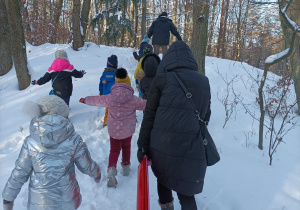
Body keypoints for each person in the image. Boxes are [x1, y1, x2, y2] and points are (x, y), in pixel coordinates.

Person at [137, 41, 211, 210]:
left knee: (164, 179)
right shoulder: (203, 81)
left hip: (162, 143)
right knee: (186, 193)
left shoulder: (161, 79)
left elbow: (149, 115)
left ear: (168, 59)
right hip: (191, 145)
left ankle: (167, 207)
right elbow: (206, 117)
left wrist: (142, 145)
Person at [2, 95, 101, 210]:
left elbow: (20, 172)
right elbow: (87, 165)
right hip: (67, 200)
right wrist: (96, 173)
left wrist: (8, 197)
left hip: (39, 203)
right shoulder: (73, 139)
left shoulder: (31, 142)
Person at [79, 68, 146, 188]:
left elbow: (96, 100)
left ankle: (111, 169)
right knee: (126, 146)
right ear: (127, 83)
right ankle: (125, 168)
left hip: (114, 130)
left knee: (114, 150)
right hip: (128, 129)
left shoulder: (110, 97)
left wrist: (85, 100)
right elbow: (146, 104)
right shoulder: (132, 99)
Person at [99, 55, 118, 126]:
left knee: (108, 109)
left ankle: (106, 122)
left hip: (106, 95)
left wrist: (101, 92)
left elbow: (100, 84)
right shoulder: (117, 74)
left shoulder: (104, 74)